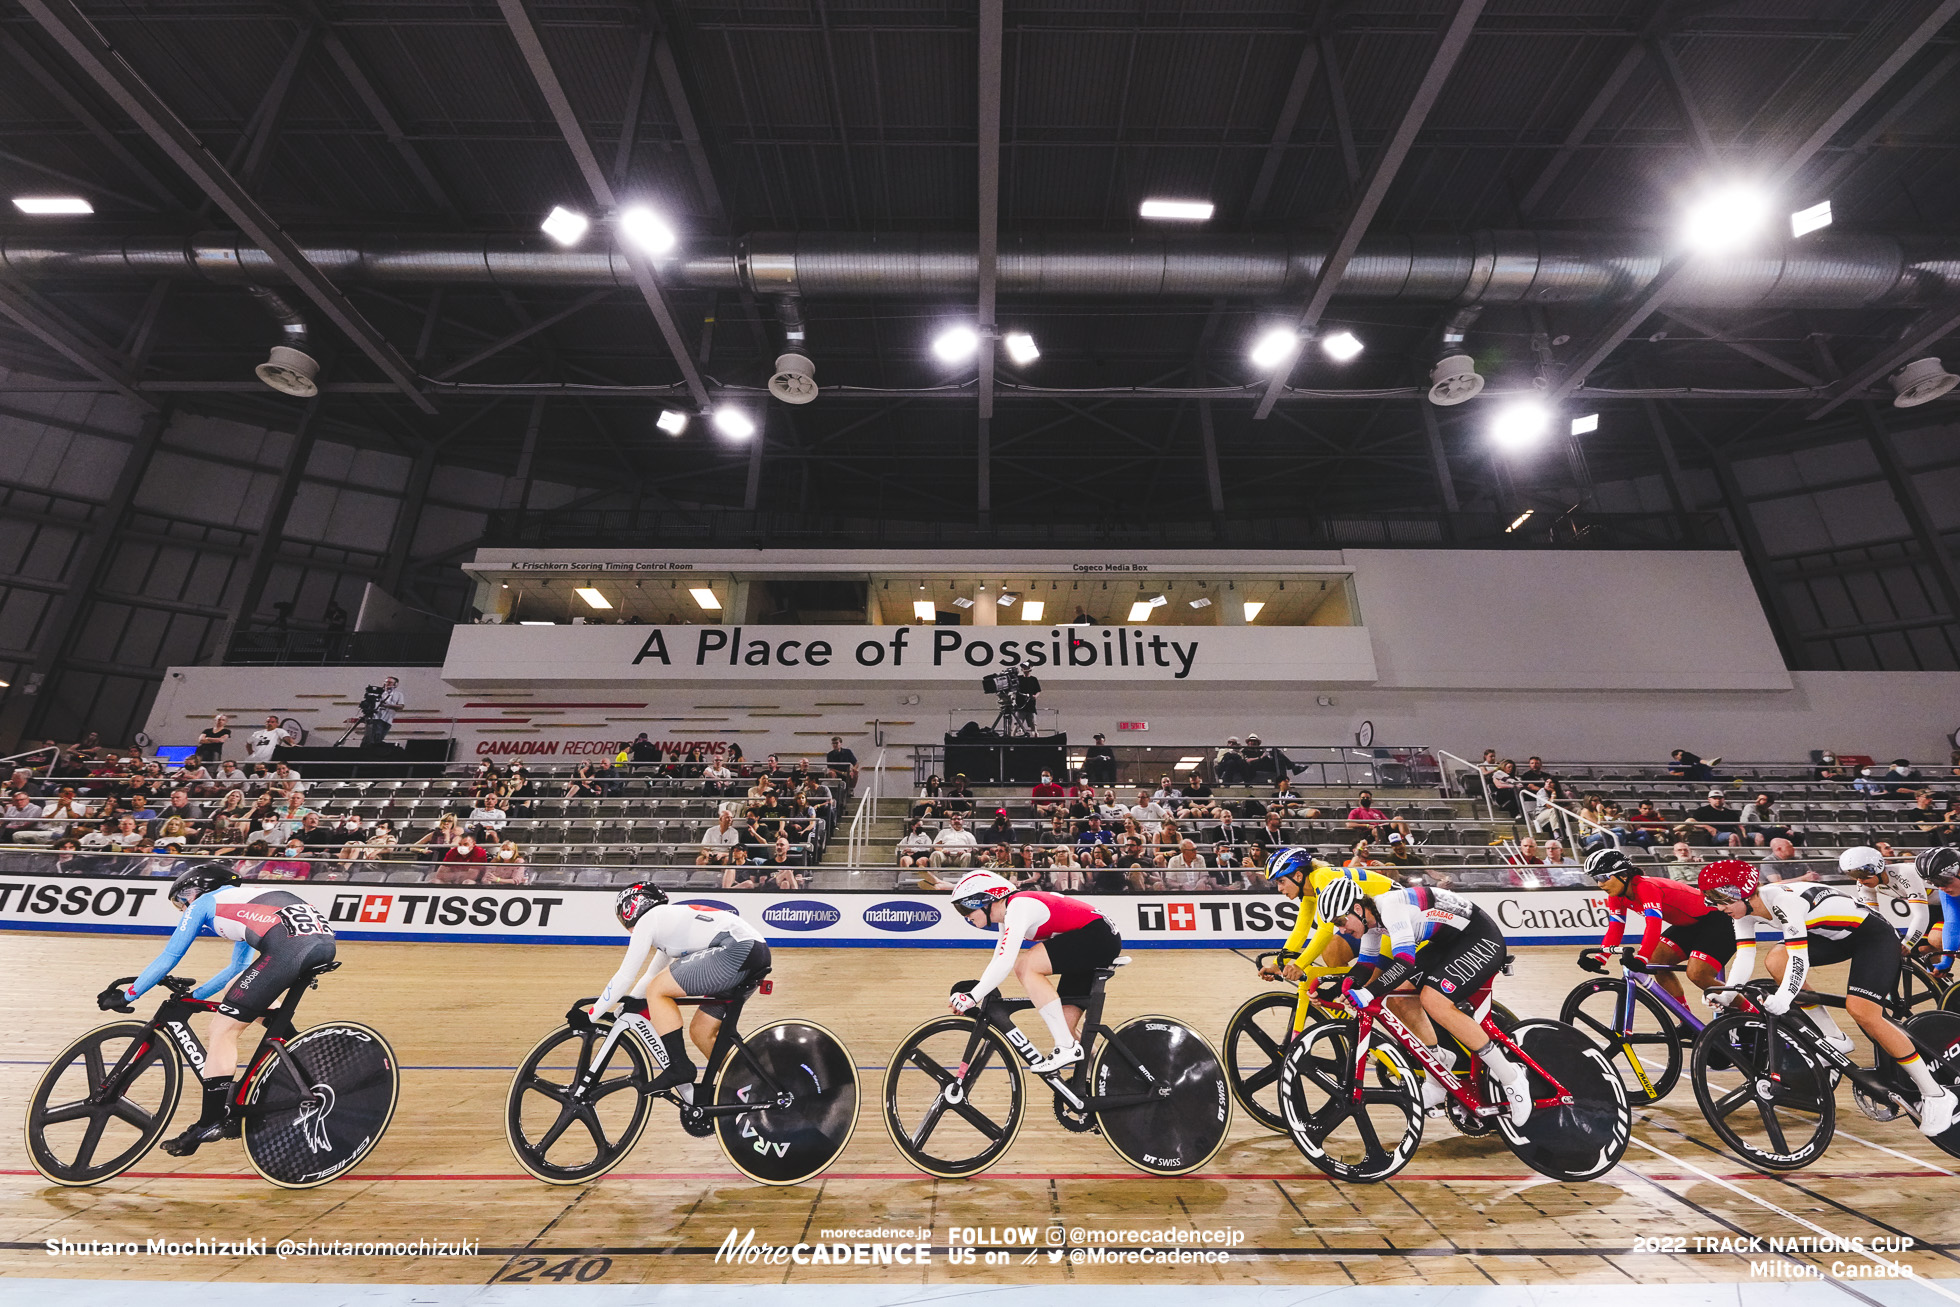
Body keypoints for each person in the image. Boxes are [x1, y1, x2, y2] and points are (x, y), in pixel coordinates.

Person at [1699, 858, 1956, 1136]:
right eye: (1713, 902)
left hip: (1873, 937)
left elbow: (1800, 960)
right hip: (1833, 937)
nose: (1719, 909)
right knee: (1775, 959)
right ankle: (1833, 1036)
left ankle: (1936, 1094)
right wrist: (1727, 994)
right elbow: (1746, 955)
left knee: (1862, 1011)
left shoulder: (1784, 903)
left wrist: (1785, 997)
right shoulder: (1743, 912)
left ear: (1746, 891)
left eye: (1723, 901)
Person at [98, 863, 335, 1155]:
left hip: (290, 948)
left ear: (197, 889)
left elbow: (169, 956)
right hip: (319, 943)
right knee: (238, 986)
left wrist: (128, 996)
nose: (184, 907)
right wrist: (195, 997)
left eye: (183, 899)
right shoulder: (244, 898)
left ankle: (210, 1122)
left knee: (223, 1029)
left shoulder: (206, 903)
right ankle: (301, 1058)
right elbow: (238, 967)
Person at [1320, 877, 1533, 1125]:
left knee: (1435, 1001)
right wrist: (1336, 989)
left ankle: (1512, 1077)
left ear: (1357, 909)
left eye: (1341, 922)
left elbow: (1405, 962)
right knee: (1399, 999)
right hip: (1447, 943)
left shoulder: (1390, 908)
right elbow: (1366, 966)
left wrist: (1367, 993)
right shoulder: (1371, 922)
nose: (1341, 930)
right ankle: (1437, 1070)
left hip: (1479, 938)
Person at [572, 883, 771, 1094]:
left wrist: (592, 1015)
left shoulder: (649, 920)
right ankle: (751, 1087)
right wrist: (622, 1010)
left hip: (737, 950)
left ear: (631, 908)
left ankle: (679, 1066)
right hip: (750, 952)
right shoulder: (667, 923)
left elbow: (625, 975)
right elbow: (651, 974)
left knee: (658, 989)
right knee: (702, 1032)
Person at [945, 870, 1123, 1074]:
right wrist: (975, 993)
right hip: (1089, 939)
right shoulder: (1008, 914)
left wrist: (972, 996)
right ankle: (1108, 1075)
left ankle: (1065, 1047)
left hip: (1096, 936)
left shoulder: (1018, 905)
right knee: (1064, 1026)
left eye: (964, 907)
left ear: (985, 899)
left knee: (1026, 966)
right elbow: (998, 959)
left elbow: (1007, 961)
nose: (964, 915)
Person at [1579, 847, 1733, 1006]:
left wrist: (1641, 957)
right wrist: (1600, 958)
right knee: (1656, 962)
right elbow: (1615, 929)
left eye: (1603, 877)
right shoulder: (1617, 896)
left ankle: (1750, 1010)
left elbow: (1653, 925)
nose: (1600, 884)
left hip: (1716, 920)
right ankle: (1686, 1020)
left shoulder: (1645, 887)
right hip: (1689, 925)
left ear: (1623, 875)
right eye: (1595, 878)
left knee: (1697, 974)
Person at [1839, 845, 1929, 954]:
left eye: (1863, 874)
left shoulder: (1905, 873)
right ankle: (1935, 970)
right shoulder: (1863, 884)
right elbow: (1873, 918)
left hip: (1948, 901)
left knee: (1936, 941)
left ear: (1878, 867)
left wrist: (1908, 943)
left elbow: (1921, 915)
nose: (1860, 880)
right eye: (1853, 875)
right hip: (1931, 906)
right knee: (1924, 948)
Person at [1919, 848, 1960, 976]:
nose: (1941, 888)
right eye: (1935, 883)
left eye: (1944, 881)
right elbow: (1952, 922)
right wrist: (1946, 961)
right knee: (1937, 937)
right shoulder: (1946, 892)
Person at [362, 676, 405, 748]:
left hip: (388, 719)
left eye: (390, 682)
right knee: (372, 738)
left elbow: (401, 706)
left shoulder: (399, 694)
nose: (387, 684)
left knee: (380, 738)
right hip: (376, 718)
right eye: (386, 682)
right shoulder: (379, 693)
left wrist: (387, 706)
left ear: (395, 684)